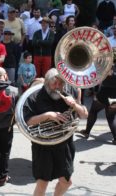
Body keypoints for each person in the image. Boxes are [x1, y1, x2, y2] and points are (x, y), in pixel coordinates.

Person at [23, 68, 88, 196]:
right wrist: (48, 115)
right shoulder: (35, 97)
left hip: (65, 144)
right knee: (43, 183)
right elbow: (27, 121)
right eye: (54, 83)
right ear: (46, 82)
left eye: (61, 83)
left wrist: (74, 104)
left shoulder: (71, 91)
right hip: (43, 145)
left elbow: (84, 115)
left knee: (66, 182)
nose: (58, 87)